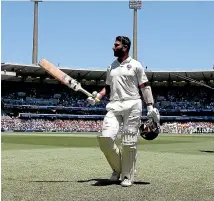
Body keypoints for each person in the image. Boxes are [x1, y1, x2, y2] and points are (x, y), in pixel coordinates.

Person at [87, 36, 160, 187]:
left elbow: (144, 86)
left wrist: (151, 106)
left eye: (116, 45)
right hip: (114, 105)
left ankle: (127, 175)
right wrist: (98, 97)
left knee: (128, 142)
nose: (113, 47)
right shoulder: (111, 66)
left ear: (125, 47)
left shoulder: (136, 65)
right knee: (105, 139)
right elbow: (108, 86)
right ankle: (118, 169)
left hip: (133, 104)